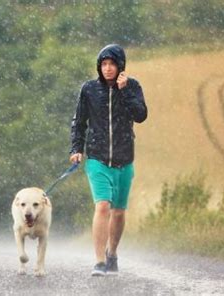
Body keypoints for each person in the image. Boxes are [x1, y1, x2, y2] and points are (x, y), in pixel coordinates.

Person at [69, 44, 148, 276]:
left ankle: (112, 253)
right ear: (99, 67)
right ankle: (99, 261)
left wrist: (125, 92)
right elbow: (79, 122)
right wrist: (76, 149)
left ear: (121, 66)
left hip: (124, 159)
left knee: (119, 211)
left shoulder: (132, 86)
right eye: (103, 64)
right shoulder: (89, 89)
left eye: (112, 64)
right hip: (97, 158)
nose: (107, 68)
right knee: (102, 206)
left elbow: (141, 115)